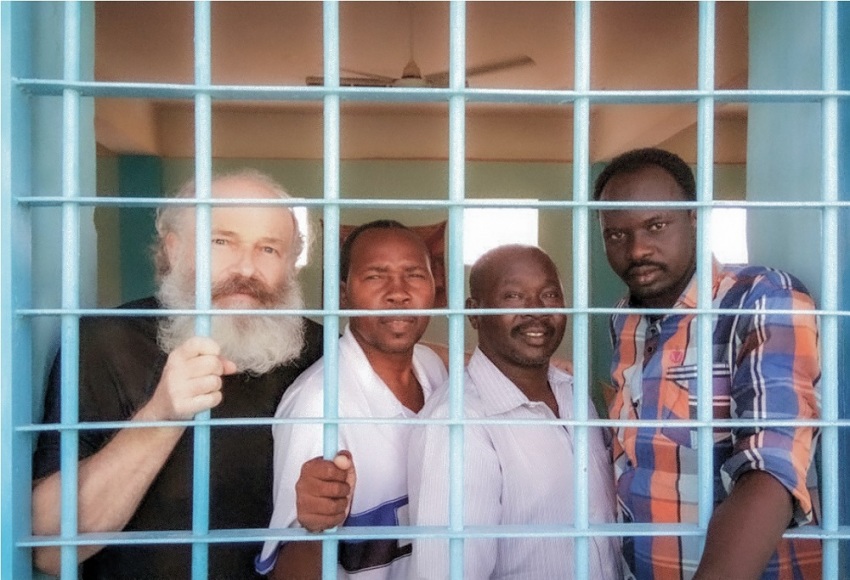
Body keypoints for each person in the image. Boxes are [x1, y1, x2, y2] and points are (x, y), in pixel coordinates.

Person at [31, 170, 323, 579]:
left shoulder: (316, 351)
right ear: (174, 249)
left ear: (291, 264)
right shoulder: (104, 342)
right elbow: (48, 549)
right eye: (221, 241)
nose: (246, 268)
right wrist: (161, 416)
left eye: (269, 249)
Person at [595, 147, 822, 579]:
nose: (637, 249)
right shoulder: (624, 318)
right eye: (616, 235)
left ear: (695, 217)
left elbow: (772, 468)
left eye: (656, 226)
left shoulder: (761, 299)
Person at [407, 244, 622, 579]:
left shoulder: (574, 394)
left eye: (549, 295)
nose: (536, 311)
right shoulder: (458, 424)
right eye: (513, 297)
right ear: (474, 313)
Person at [256, 220, 448, 579]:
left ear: (435, 287)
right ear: (343, 295)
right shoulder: (318, 405)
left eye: (414, 275)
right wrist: (314, 529)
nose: (398, 293)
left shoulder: (433, 370)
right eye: (375, 276)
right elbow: (287, 571)